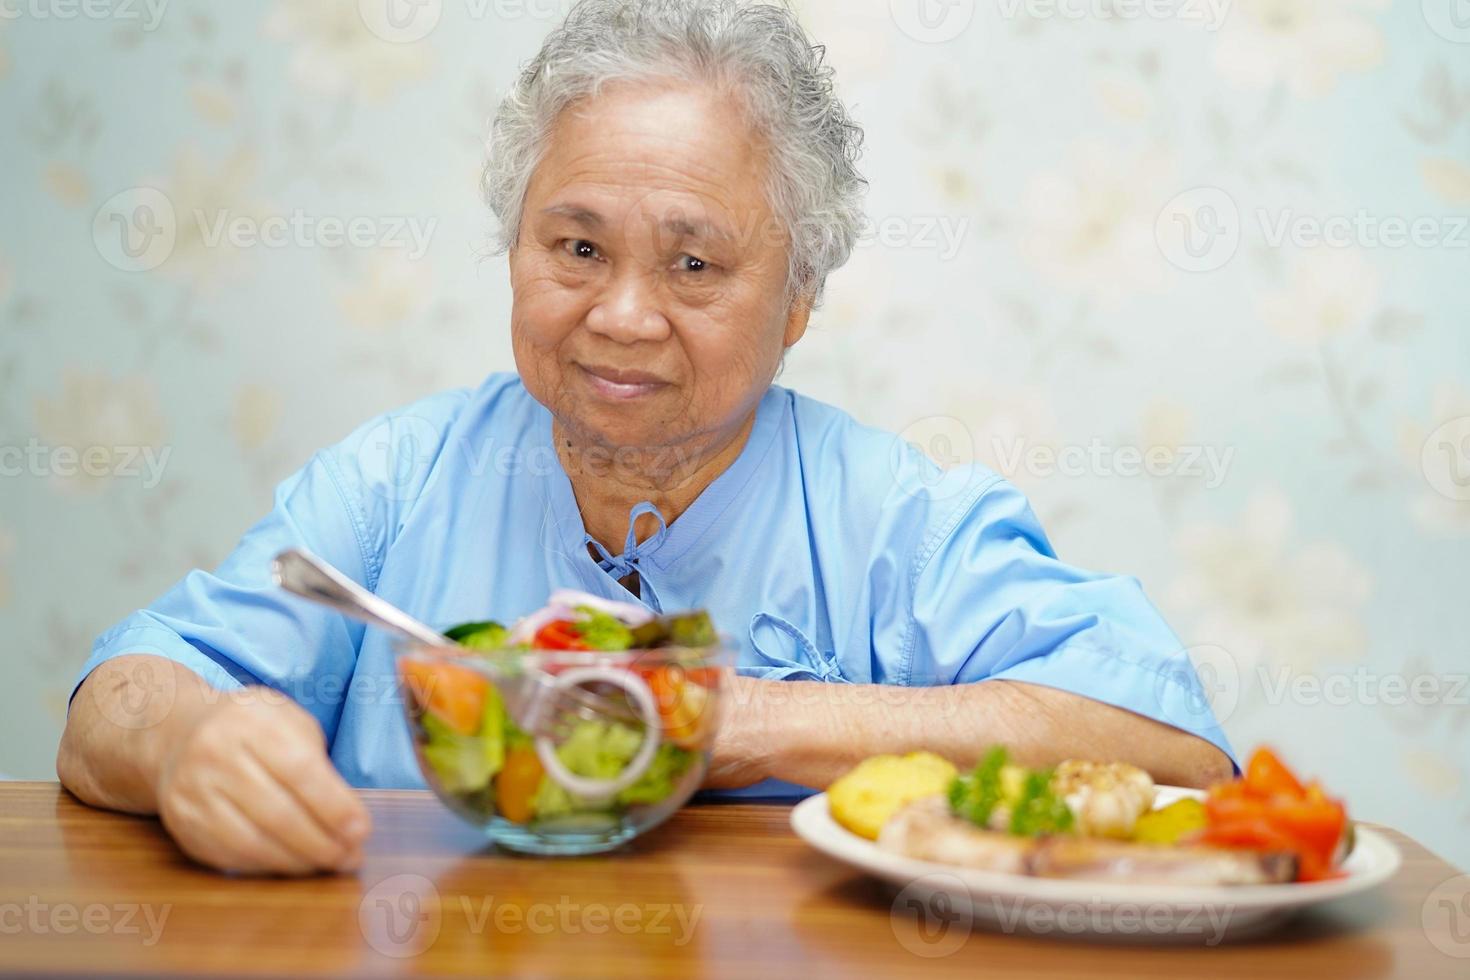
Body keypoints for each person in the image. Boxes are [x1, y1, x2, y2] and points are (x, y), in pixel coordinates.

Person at [58, 0, 1233, 876]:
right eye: (575, 247)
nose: (621, 314)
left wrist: (736, 718)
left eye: (694, 262)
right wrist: (186, 744)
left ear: (799, 301)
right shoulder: (393, 480)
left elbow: (1179, 752)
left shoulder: (900, 521)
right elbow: (116, 699)